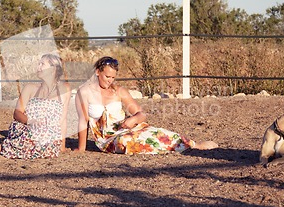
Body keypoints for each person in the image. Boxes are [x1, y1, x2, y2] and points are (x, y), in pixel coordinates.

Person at [75, 56, 217, 154]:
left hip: (129, 129)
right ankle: (181, 147)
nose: (110, 81)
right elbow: (83, 120)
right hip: (108, 139)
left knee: (159, 133)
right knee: (126, 141)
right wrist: (82, 148)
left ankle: (193, 145)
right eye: (107, 77)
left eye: (113, 77)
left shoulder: (119, 91)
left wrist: (133, 119)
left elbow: (141, 114)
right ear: (97, 72)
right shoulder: (85, 92)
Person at [0, 54, 71, 159]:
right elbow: (17, 113)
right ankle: (5, 147)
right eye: (38, 64)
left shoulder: (64, 89)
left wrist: (63, 144)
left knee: (49, 149)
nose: (38, 67)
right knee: (36, 136)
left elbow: (63, 119)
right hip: (28, 127)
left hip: (49, 132)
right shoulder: (30, 88)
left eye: (42, 64)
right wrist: (30, 121)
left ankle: (6, 148)